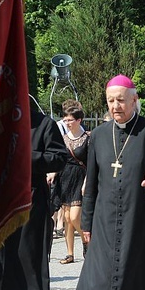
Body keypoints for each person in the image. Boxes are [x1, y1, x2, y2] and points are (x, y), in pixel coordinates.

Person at [71, 75, 145, 290]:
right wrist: (86, 223)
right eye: (110, 101)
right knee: (97, 287)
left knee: (136, 283)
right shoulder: (98, 135)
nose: (115, 105)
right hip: (104, 224)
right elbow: (92, 183)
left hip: (141, 222)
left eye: (120, 100)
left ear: (134, 100)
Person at [0, 105, 68, 290]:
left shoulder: (43, 124)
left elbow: (58, 157)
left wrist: (25, 157)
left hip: (29, 208)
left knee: (27, 266)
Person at [55, 105, 89, 264]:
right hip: (65, 177)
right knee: (67, 218)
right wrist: (52, 173)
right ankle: (70, 253)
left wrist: (87, 181)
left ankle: (87, 241)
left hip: (80, 178)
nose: (67, 123)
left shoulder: (88, 137)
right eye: (65, 120)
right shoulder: (63, 138)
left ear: (79, 120)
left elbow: (91, 163)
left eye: (70, 120)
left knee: (75, 217)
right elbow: (59, 159)